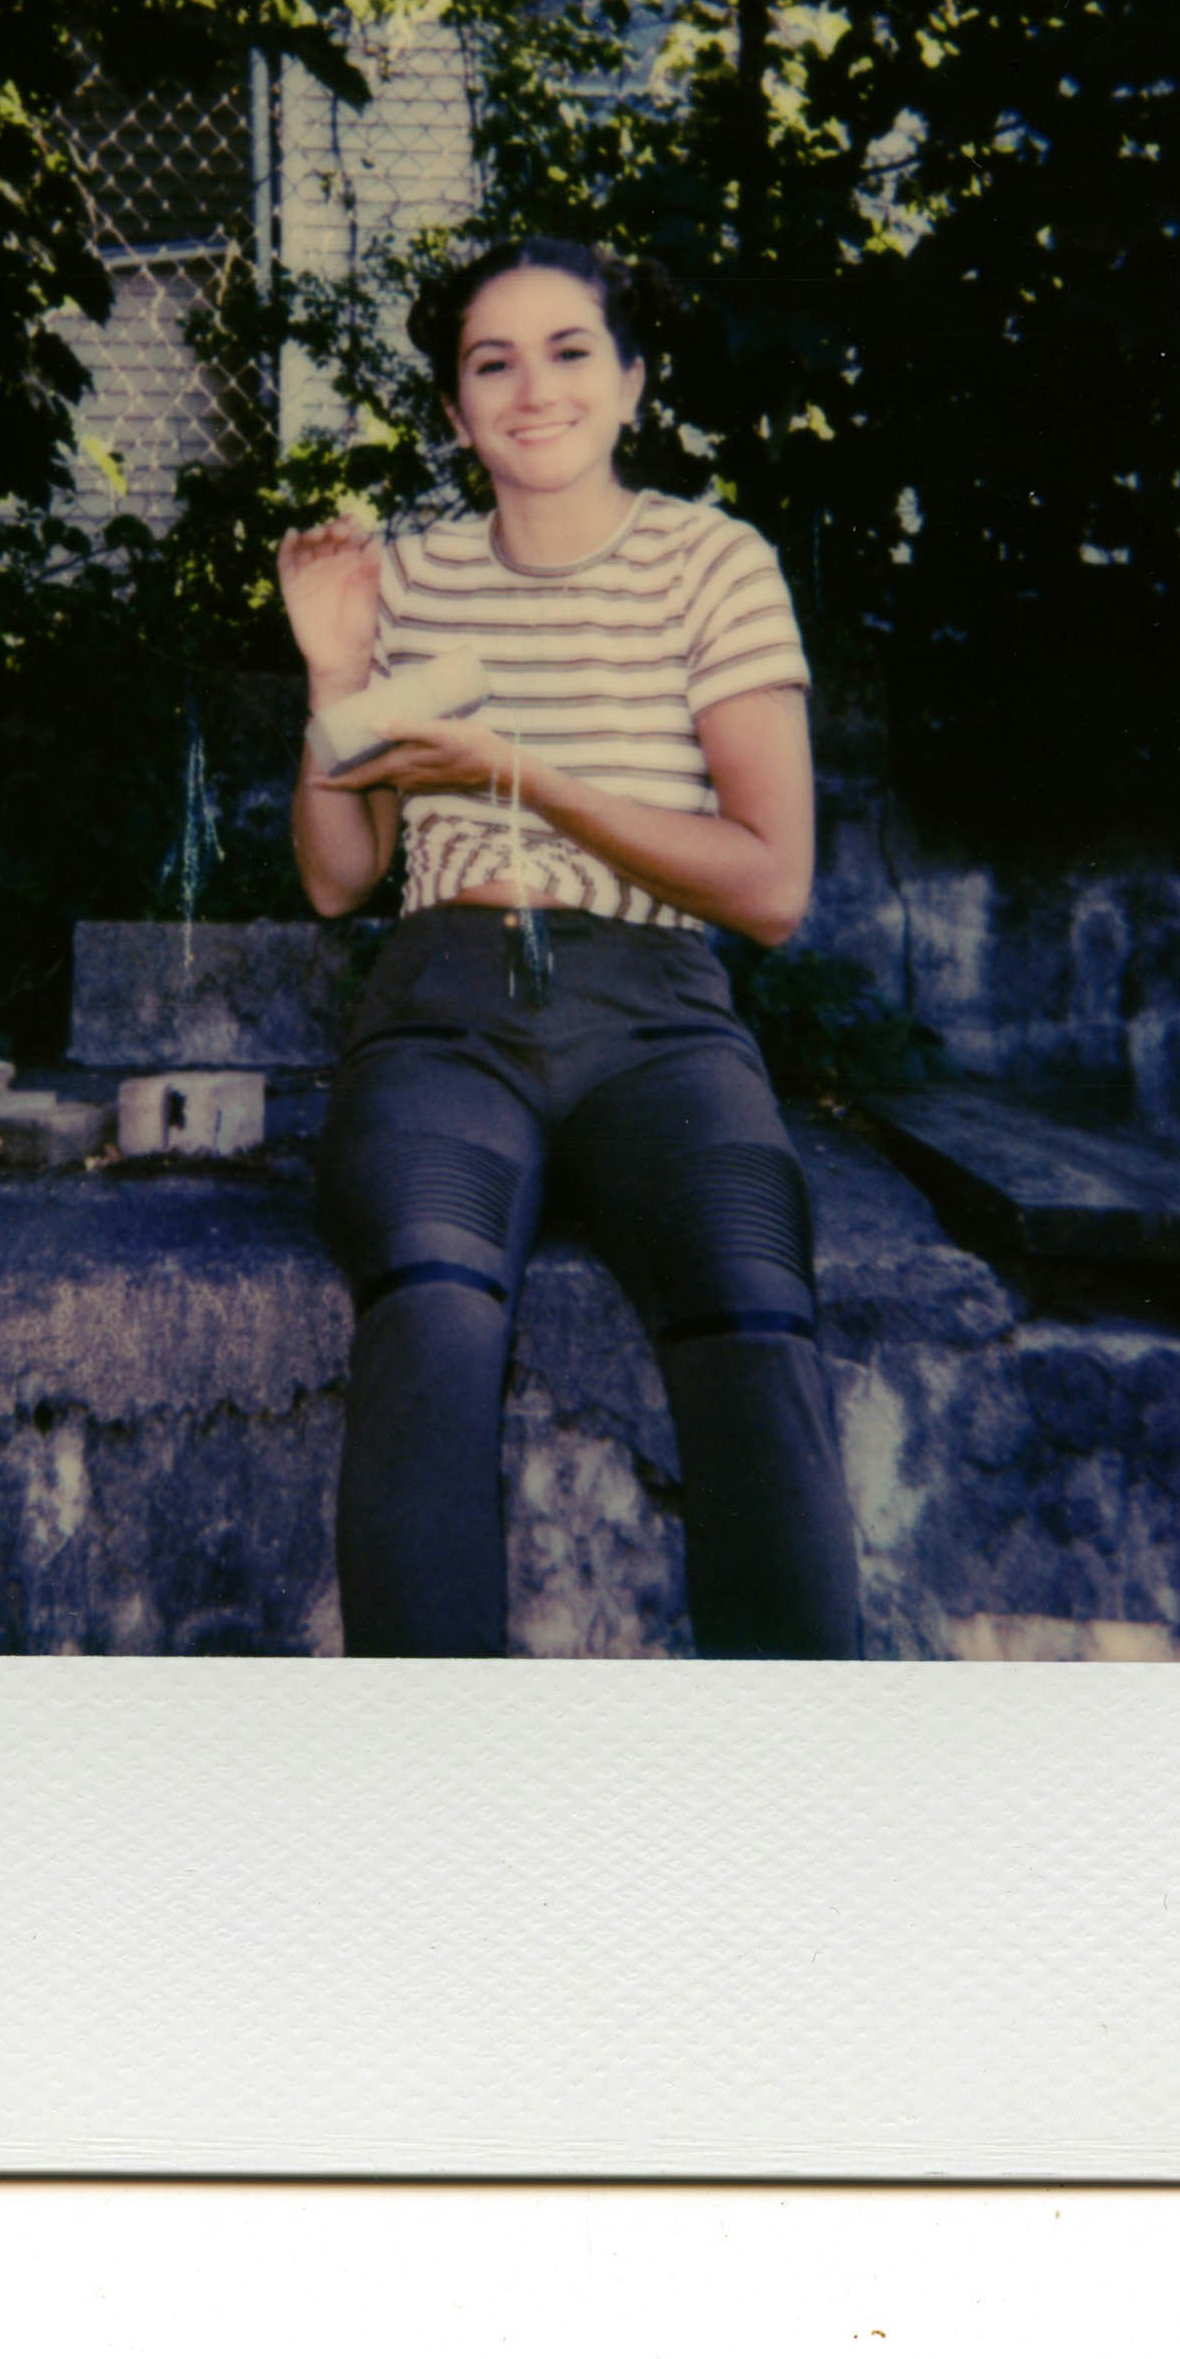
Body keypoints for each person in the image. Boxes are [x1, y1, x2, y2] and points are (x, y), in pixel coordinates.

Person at [279, 235, 861, 1659]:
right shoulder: (404, 582)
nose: (532, 388)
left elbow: (772, 884)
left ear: (633, 381)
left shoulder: (713, 564)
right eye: (492, 363)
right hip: (446, 1010)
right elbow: (343, 879)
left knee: (751, 1299)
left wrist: (518, 772)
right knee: (429, 1292)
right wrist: (333, 673)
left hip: (659, 1015)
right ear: (457, 412)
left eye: (570, 350)